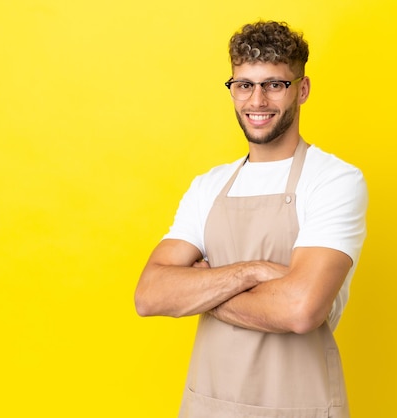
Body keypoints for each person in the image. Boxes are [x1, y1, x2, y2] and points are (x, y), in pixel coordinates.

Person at [135, 20, 368, 418]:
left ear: (302, 89)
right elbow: (150, 294)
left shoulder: (334, 180)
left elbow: (301, 309)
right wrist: (253, 272)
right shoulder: (209, 185)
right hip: (209, 405)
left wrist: (203, 292)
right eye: (244, 85)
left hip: (299, 406)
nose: (256, 100)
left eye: (274, 84)